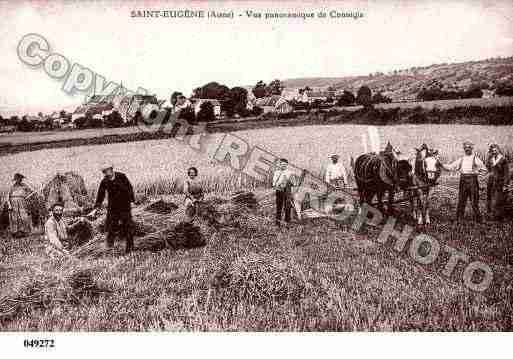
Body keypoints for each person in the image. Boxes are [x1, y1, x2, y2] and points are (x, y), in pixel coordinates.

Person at [91, 164, 135, 253]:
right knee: (111, 227)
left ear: (111, 169)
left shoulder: (121, 176)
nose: (106, 173)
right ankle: (109, 248)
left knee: (128, 226)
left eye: (107, 170)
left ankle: (130, 248)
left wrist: (132, 201)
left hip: (124, 206)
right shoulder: (104, 181)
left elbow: (130, 188)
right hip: (113, 208)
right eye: (104, 171)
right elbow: (100, 195)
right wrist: (96, 208)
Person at [441, 141, 487, 222]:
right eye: (465, 148)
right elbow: (451, 167)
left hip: (473, 181)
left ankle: (479, 219)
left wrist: (477, 175)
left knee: (474, 201)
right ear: (464, 149)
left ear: (471, 149)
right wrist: (441, 164)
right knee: (461, 200)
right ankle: (459, 219)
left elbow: (484, 170)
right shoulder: (462, 158)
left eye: (469, 147)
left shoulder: (475, 158)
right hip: (463, 180)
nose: (467, 149)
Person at [486, 143, 510, 220]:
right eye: (492, 150)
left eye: (495, 150)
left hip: (500, 182)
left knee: (498, 199)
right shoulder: (491, 159)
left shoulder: (503, 159)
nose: (494, 151)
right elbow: (488, 168)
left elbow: (507, 173)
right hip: (491, 181)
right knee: (490, 197)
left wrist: (506, 184)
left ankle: (499, 217)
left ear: (498, 150)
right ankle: (491, 215)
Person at [7, 173, 34, 237]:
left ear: (21, 179)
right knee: (14, 217)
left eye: (20, 179)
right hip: (13, 203)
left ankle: (24, 232)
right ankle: (15, 232)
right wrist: (9, 205)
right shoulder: (12, 186)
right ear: (15, 180)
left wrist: (27, 197)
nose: (19, 180)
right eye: (17, 179)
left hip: (22, 202)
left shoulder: (24, 186)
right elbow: (7, 196)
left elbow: (32, 192)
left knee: (23, 216)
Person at [272, 158, 293, 226]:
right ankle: (277, 223)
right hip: (279, 191)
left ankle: (287, 223)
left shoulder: (290, 172)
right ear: (280, 165)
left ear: (287, 165)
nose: (283, 166)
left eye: (285, 165)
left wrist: (288, 180)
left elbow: (293, 183)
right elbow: (274, 183)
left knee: (287, 207)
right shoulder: (277, 172)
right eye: (282, 165)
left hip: (287, 191)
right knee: (279, 207)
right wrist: (280, 182)